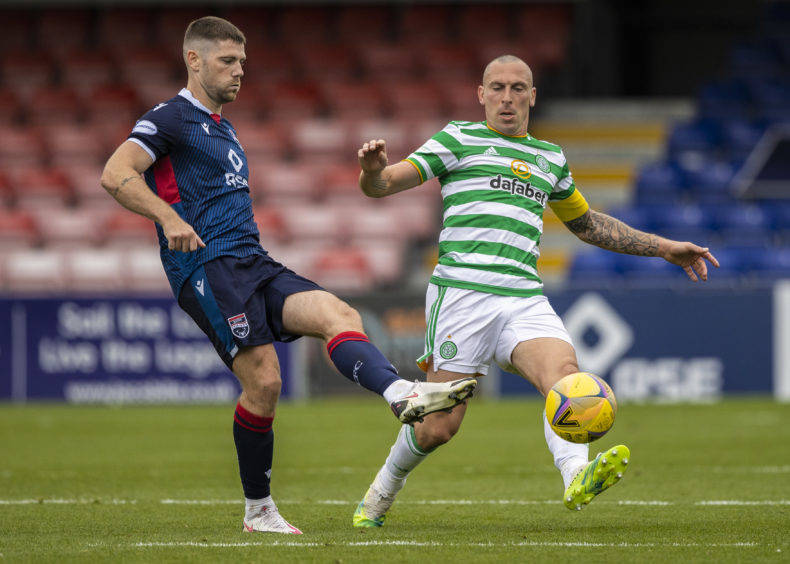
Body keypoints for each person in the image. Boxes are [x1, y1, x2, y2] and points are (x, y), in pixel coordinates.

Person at [100, 16, 477, 535]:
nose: (239, 72)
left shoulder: (224, 128)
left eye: (243, 64)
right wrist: (168, 218)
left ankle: (400, 395)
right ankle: (259, 511)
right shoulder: (168, 119)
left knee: (338, 313)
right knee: (266, 382)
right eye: (227, 61)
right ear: (193, 59)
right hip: (207, 266)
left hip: (253, 261)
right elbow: (116, 173)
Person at [352, 54, 719, 527]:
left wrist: (664, 247)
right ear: (480, 94)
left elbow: (586, 225)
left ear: (532, 96)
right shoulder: (457, 139)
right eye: (498, 88)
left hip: (524, 297)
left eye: (518, 88)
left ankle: (575, 479)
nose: (508, 98)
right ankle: (381, 493)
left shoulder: (550, 157)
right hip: (463, 295)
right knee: (439, 426)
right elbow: (383, 185)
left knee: (567, 379)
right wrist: (371, 171)